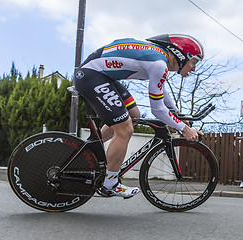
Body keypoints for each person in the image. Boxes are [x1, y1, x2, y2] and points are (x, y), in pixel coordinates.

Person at [74, 34, 205, 198]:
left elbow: (161, 89)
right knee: (125, 130)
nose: (193, 68)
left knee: (133, 116)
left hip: (101, 76)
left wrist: (176, 114)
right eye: (193, 62)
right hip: (92, 76)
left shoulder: (158, 58)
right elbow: (157, 109)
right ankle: (110, 184)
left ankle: (87, 150)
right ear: (180, 54)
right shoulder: (159, 64)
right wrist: (184, 128)